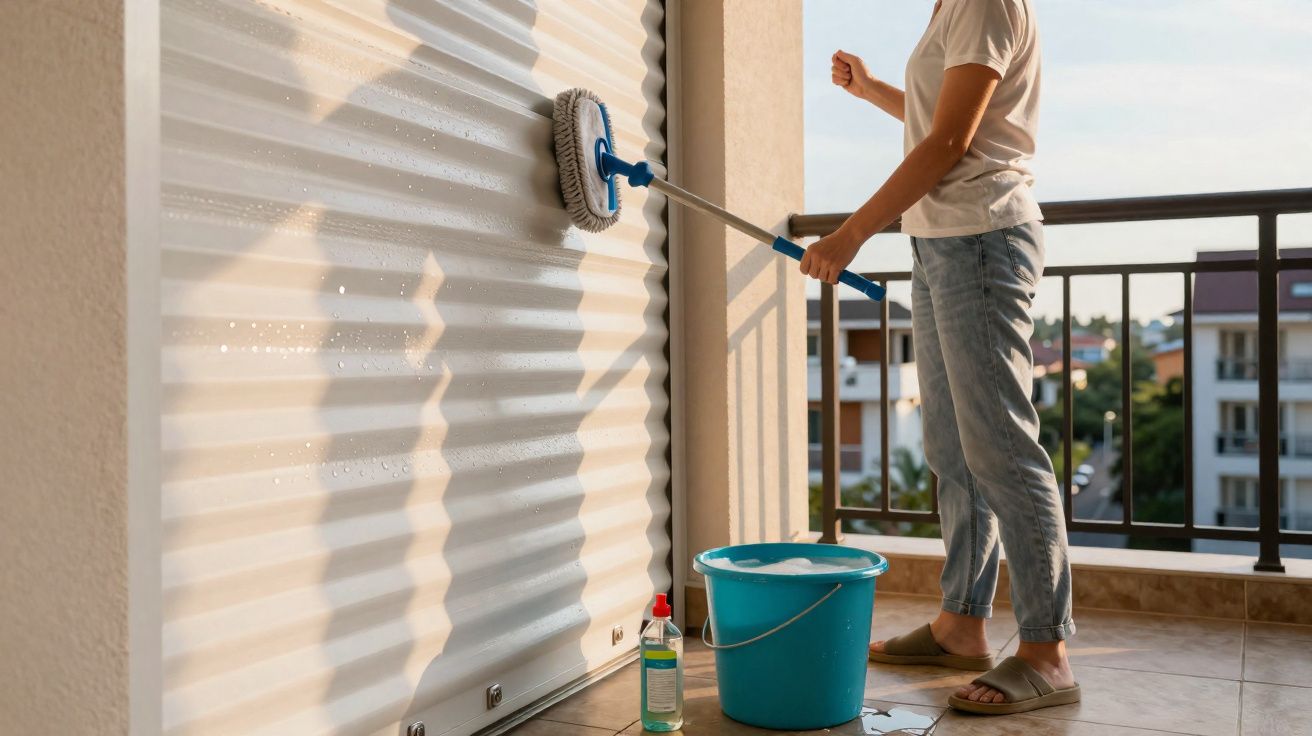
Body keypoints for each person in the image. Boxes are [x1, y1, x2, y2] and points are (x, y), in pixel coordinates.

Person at [801, 0, 1079, 715]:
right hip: (940, 244)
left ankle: (1047, 652)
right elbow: (942, 115)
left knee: (1002, 449)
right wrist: (871, 93)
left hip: (982, 239)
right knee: (953, 448)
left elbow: (951, 141)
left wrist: (851, 234)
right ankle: (961, 623)